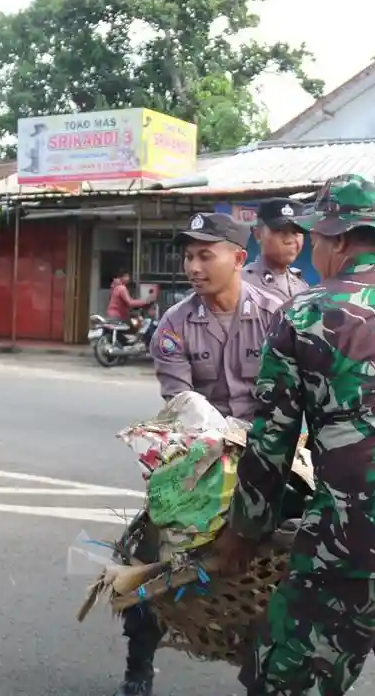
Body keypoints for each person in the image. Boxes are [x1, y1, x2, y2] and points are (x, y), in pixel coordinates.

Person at [216, 173, 375, 696]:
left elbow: (272, 440)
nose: (311, 250)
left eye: (313, 238)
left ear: (336, 238)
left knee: (288, 680)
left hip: (358, 540)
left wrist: (242, 532)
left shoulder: (308, 312)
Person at [113, 211, 284, 696]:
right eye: (188, 256)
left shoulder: (279, 316)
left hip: (273, 463)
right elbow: (181, 405)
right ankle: (138, 665)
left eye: (205, 254)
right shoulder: (173, 324)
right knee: (152, 558)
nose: (193, 265)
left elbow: (292, 402)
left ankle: (268, 671)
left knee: (287, 568)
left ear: (238, 258)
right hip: (200, 462)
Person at [242, 197, 309, 301]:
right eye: (280, 231)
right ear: (258, 234)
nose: (290, 240)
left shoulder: (300, 284)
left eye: (295, 232)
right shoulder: (243, 282)